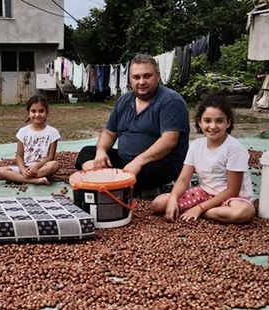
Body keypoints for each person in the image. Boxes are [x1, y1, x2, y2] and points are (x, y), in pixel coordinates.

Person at [74, 54, 190, 193]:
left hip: (159, 163)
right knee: (87, 152)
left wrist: (138, 162)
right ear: (130, 79)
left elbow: (169, 141)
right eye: (136, 77)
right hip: (126, 161)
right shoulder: (124, 100)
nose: (141, 82)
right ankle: (112, 181)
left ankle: (103, 181)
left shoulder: (171, 101)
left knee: (146, 173)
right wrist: (101, 151)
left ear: (158, 76)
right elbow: (109, 132)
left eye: (147, 76)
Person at [151, 93, 255, 224]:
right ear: (199, 122)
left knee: (243, 213)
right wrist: (173, 199)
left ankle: (202, 212)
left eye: (219, 121)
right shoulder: (196, 145)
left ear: (228, 123)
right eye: (207, 121)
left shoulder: (235, 148)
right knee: (158, 204)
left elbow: (232, 190)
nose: (212, 126)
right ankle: (207, 211)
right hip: (205, 193)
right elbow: (183, 179)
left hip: (231, 199)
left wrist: (199, 208)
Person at [0, 94, 60, 185]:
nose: (37, 114)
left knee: (54, 165)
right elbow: (19, 156)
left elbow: (50, 157)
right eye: (33, 111)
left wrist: (36, 167)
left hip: (41, 168)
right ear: (28, 113)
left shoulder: (53, 132)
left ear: (47, 112)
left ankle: (19, 179)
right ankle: (34, 180)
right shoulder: (23, 131)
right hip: (24, 168)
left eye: (41, 111)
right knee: (0, 171)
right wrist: (23, 170)